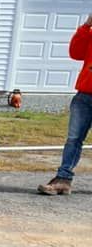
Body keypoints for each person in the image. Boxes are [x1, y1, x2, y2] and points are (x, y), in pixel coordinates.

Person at [38, 12, 92, 195]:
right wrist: (86, 26)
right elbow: (75, 53)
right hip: (84, 96)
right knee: (73, 139)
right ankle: (63, 179)